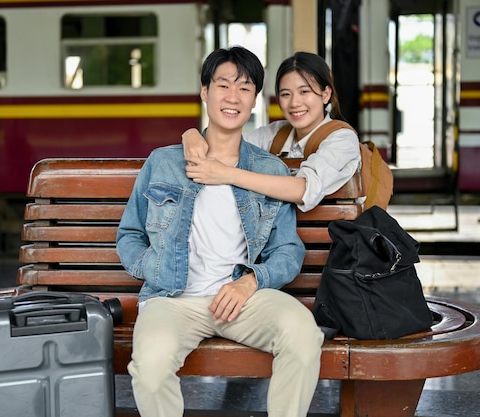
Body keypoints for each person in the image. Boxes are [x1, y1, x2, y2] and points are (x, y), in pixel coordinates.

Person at [116, 46, 324, 417]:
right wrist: (156, 268)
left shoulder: (269, 170)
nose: (233, 97)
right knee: (149, 367)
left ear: (255, 99)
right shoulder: (163, 162)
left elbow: (289, 250)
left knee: (304, 335)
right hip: (173, 298)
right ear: (204, 91)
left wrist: (251, 282)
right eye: (223, 85)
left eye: (244, 88)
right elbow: (129, 235)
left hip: (243, 299)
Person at [183, 51, 361, 212]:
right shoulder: (277, 133)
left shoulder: (342, 139)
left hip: (328, 242)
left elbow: (304, 189)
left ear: (325, 94)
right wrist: (191, 135)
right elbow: (226, 147)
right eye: (285, 94)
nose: (294, 103)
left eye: (304, 91)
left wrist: (227, 174)